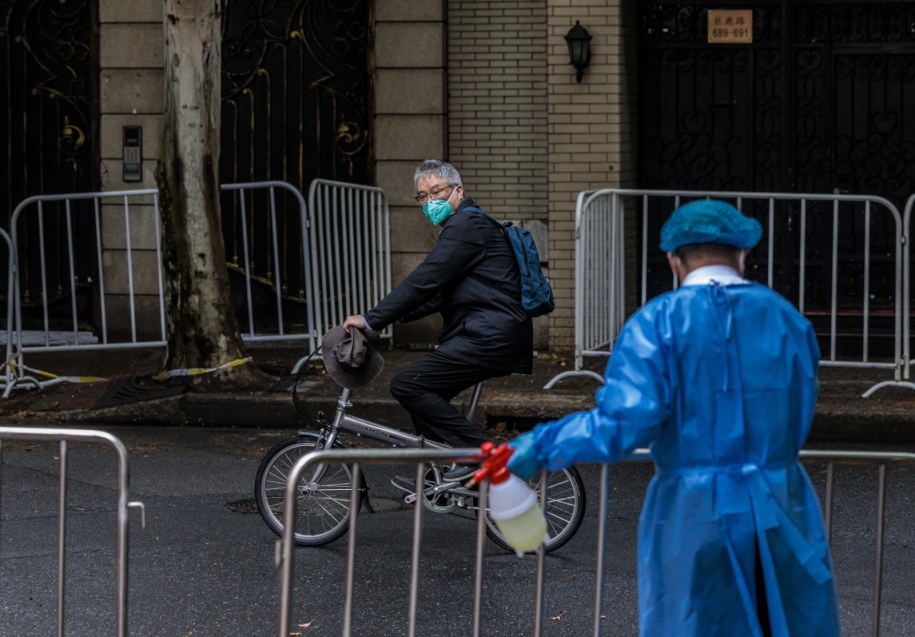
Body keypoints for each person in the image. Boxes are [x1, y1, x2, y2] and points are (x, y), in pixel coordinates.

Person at [507, 199, 841, 637]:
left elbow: (619, 425)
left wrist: (538, 447)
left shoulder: (656, 324)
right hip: (782, 505)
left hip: (693, 512)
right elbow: (801, 400)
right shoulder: (786, 320)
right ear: (742, 254)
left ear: (673, 260)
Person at [342, 159, 533, 483]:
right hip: (489, 334)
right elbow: (435, 295)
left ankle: (480, 456)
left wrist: (372, 319)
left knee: (407, 384)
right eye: (422, 197)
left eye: (436, 192)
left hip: (490, 337)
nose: (430, 202)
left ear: (458, 191)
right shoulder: (465, 228)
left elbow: (425, 280)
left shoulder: (467, 226)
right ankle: (447, 475)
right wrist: (386, 320)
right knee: (427, 396)